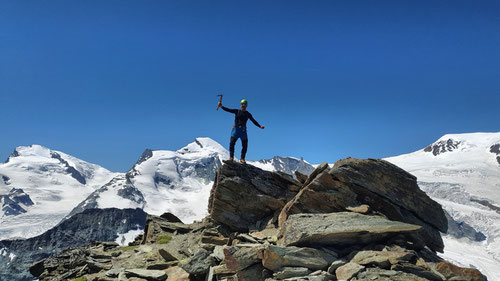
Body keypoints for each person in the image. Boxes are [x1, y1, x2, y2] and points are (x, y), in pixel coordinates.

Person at [218, 99, 264, 163]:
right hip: (236, 130)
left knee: (245, 145)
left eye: (244, 104)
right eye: (242, 104)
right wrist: (221, 106)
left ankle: (242, 158)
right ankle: (231, 157)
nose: (243, 105)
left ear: (246, 105)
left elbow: (253, 121)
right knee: (232, 143)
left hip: (243, 131)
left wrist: (260, 126)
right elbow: (229, 110)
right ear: (240, 105)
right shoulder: (237, 111)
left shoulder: (248, 114)